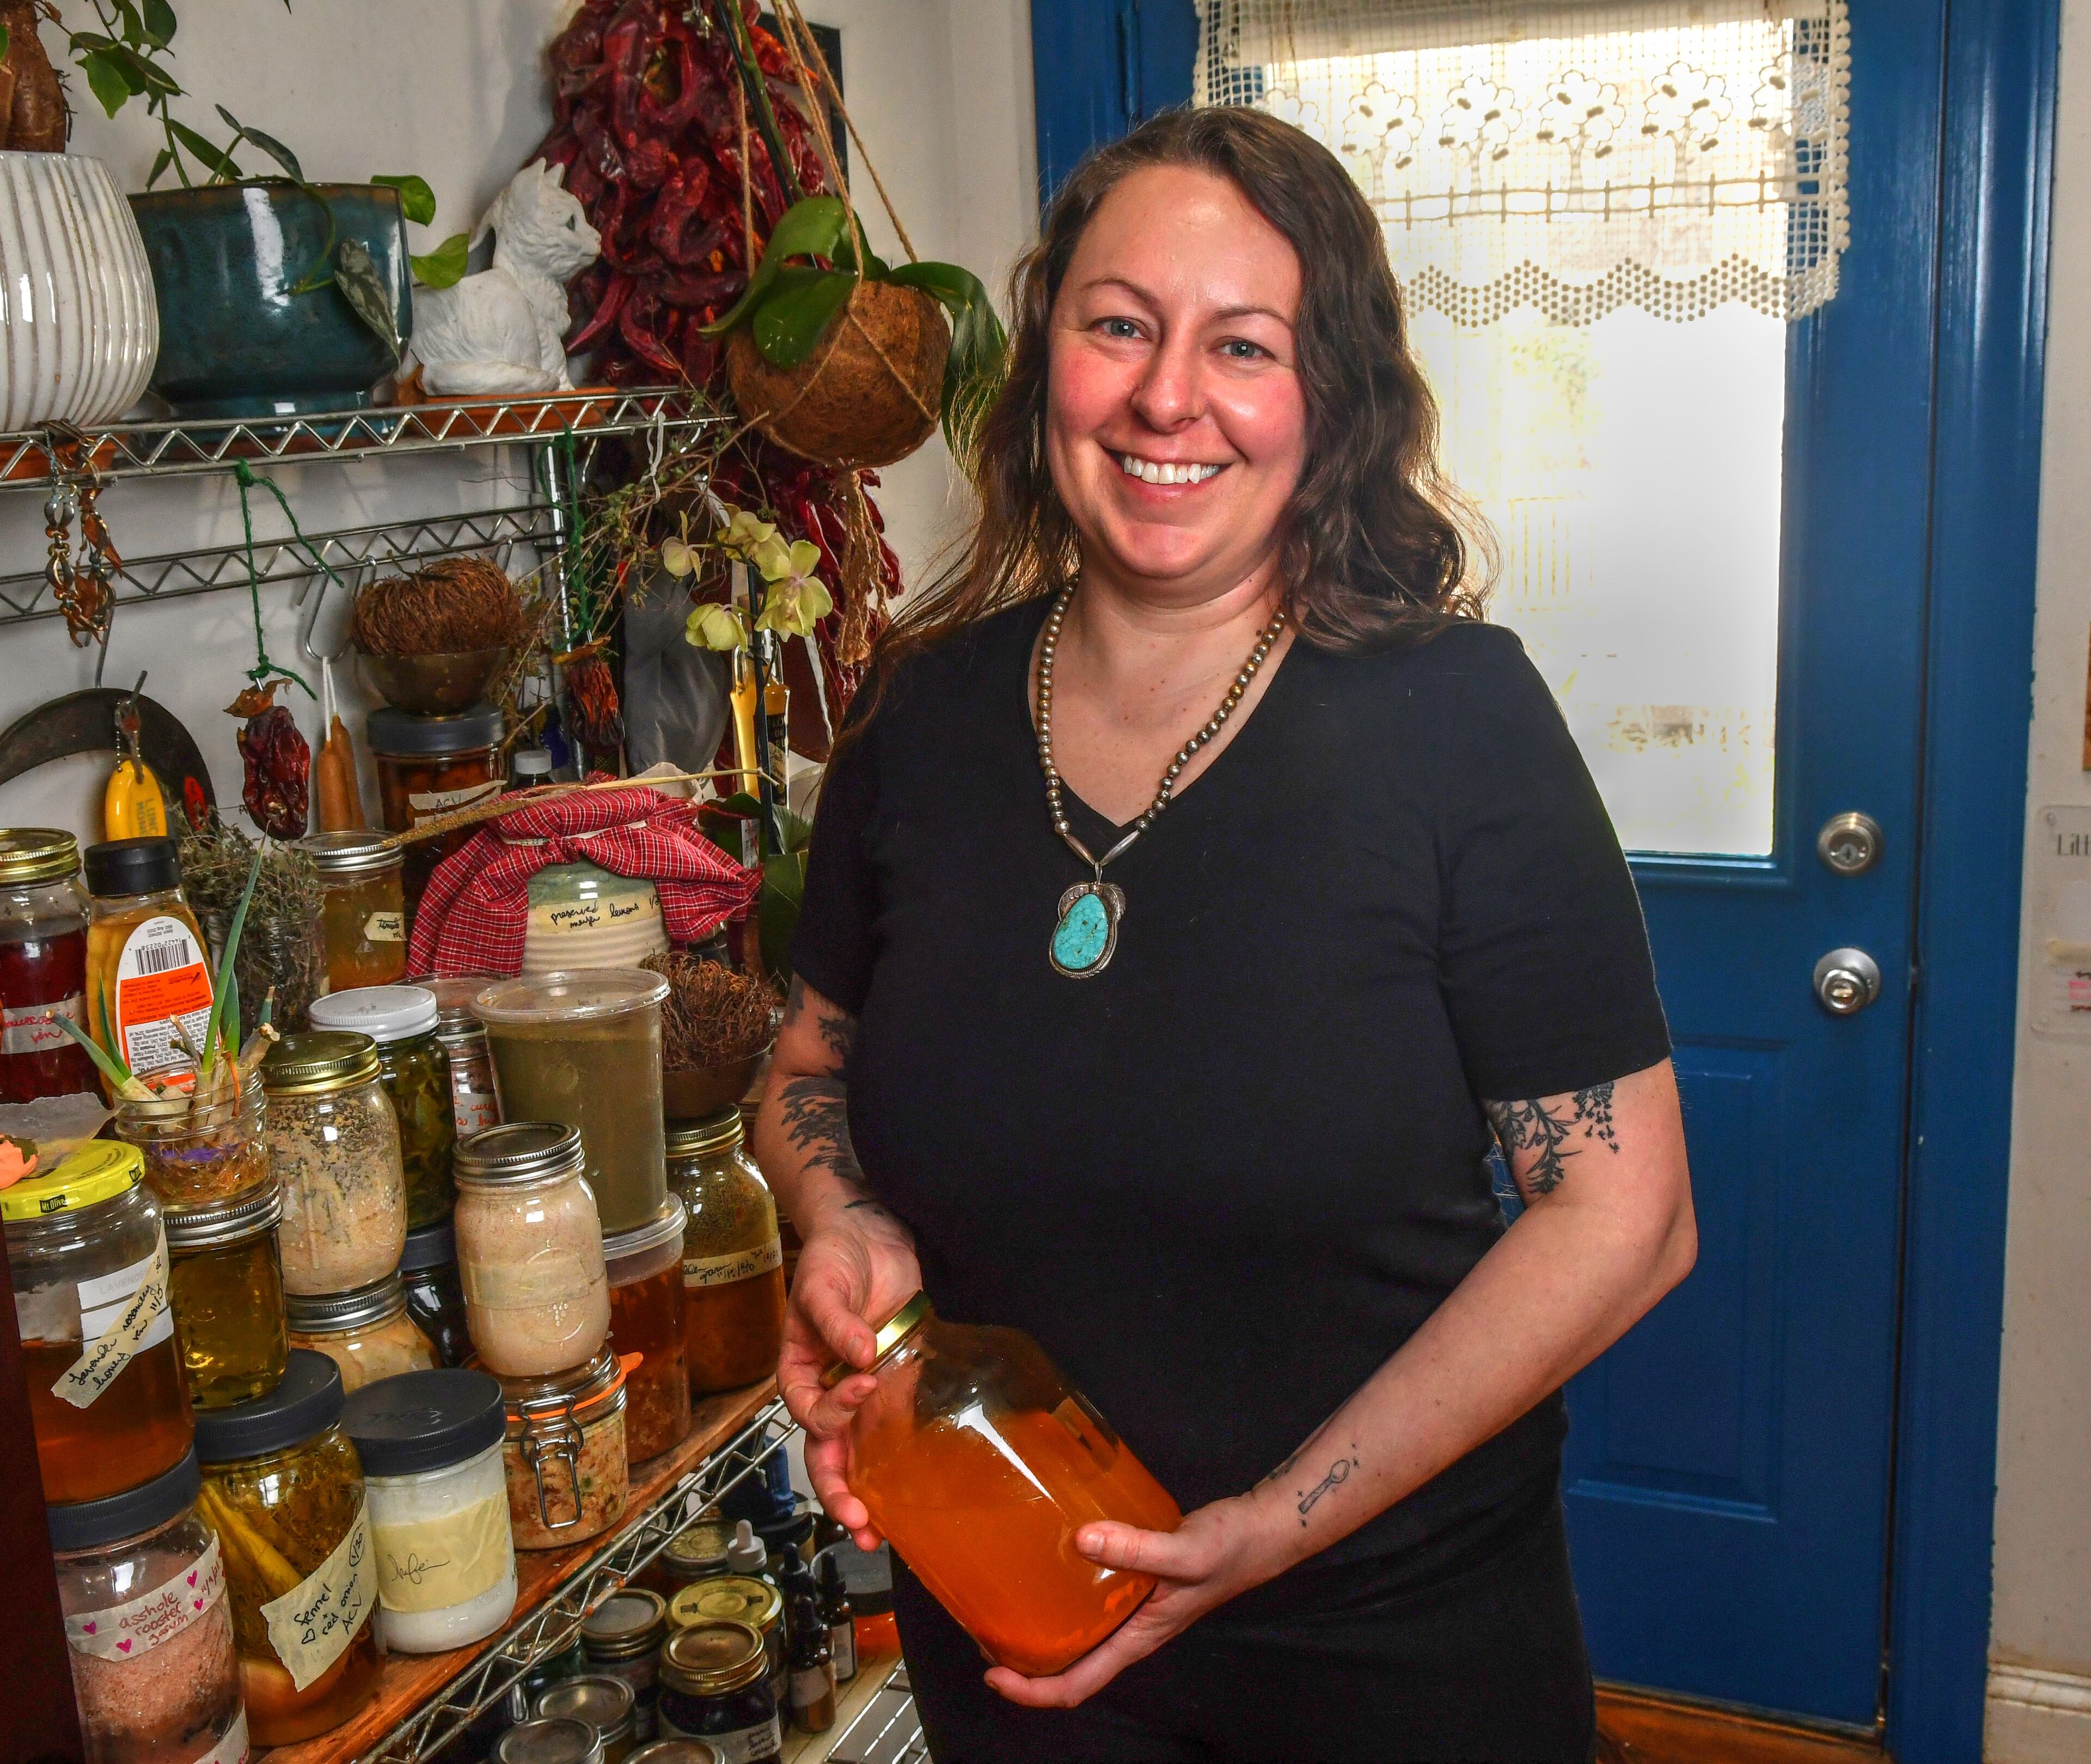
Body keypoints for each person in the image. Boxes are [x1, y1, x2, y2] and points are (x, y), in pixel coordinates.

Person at [753, 105, 1695, 1763]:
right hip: (1024, 1630)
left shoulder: (1456, 725)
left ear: (1323, 399)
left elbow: (1625, 1214)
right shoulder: (920, 716)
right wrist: (839, 1230)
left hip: (1391, 1650)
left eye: (1240, 344)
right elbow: (809, 1062)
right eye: (1119, 324)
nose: (1166, 396)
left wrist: (1277, 1518)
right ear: (1048, 352)